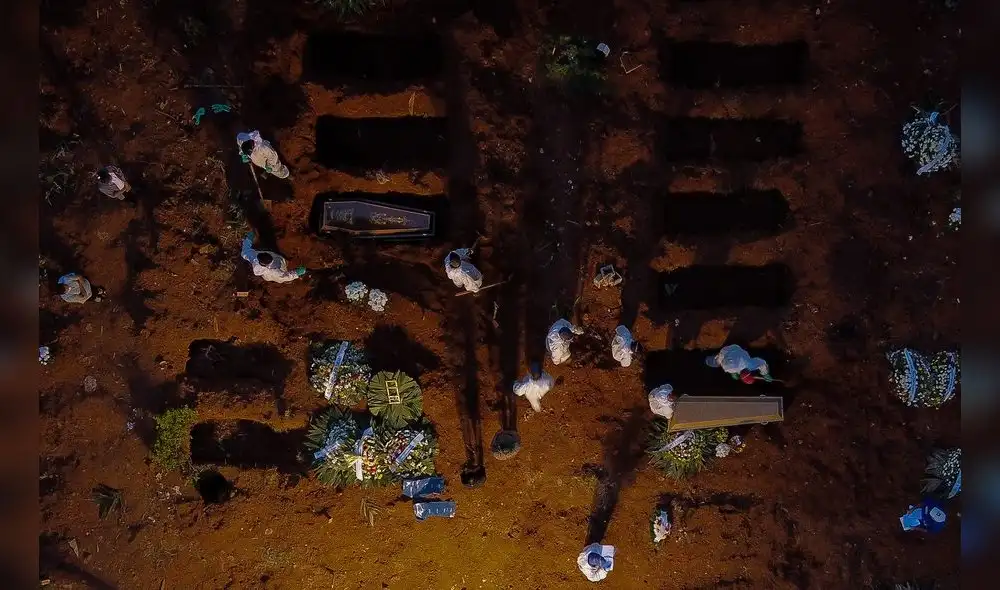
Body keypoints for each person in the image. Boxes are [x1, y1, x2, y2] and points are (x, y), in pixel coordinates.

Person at [240, 231, 305, 283]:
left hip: (266, 277)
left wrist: (248, 239)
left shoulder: (254, 257)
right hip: (279, 269)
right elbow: (287, 276)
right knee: (283, 279)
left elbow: (245, 252)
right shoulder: (277, 272)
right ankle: (287, 281)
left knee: (268, 278)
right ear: (271, 261)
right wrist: (297, 272)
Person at [705, 344, 769, 383]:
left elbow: (761, 363)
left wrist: (765, 374)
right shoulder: (723, 350)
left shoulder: (747, 365)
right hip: (737, 347)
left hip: (741, 348)